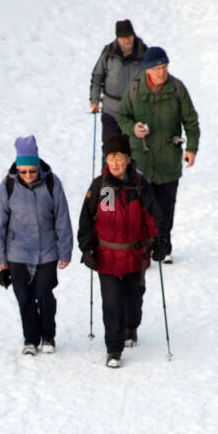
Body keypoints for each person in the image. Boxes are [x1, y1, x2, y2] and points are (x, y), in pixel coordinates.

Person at [78, 132, 162, 368]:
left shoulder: (139, 184)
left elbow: (153, 215)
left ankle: (131, 326)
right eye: (111, 157)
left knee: (133, 300)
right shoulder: (102, 187)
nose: (115, 162)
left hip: (135, 256)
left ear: (128, 159)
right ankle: (113, 350)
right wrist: (87, 246)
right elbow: (88, 220)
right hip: (108, 258)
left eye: (120, 157)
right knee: (112, 304)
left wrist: (159, 239)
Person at [116, 46, 199, 262]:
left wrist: (191, 148)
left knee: (164, 207)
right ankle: (142, 249)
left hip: (168, 160)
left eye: (164, 67)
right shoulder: (134, 89)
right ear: (147, 70)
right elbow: (122, 116)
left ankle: (163, 247)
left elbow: (191, 120)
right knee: (140, 208)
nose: (162, 72)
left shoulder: (177, 88)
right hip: (141, 159)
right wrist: (132, 128)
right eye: (157, 68)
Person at [0, 135, 73, 357]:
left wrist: (65, 251)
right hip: (17, 253)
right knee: (24, 297)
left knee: (44, 294)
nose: (28, 176)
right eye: (23, 171)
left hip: (47, 251)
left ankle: (48, 336)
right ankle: (31, 339)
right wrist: (0, 257)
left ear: (38, 166)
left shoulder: (52, 183)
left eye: (32, 171)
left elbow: (63, 219)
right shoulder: (7, 186)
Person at [89, 19, 147, 147]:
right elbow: (97, 75)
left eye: (129, 36)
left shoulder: (144, 53)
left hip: (134, 113)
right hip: (110, 111)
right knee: (110, 150)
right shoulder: (109, 53)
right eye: (123, 37)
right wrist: (94, 100)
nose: (127, 40)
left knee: (132, 152)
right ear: (117, 38)